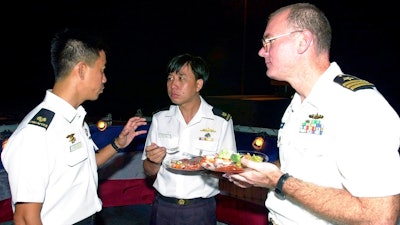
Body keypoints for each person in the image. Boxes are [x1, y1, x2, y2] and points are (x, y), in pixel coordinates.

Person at [227, 3, 400, 225]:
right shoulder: (298, 101)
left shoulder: (358, 105)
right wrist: (260, 174)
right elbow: (299, 165)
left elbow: (380, 217)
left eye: (269, 41)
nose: (262, 51)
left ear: (302, 41)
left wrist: (279, 181)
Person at [1, 28, 148, 225]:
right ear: (81, 70)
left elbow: (85, 166)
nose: (104, 79)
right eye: (102, 70)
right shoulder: (36, 134)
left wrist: (118, 144)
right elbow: (26, 218)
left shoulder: (75, 119)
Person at [142, 53, 237, 225]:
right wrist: (153, 161)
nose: (173, 85)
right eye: (170, 78)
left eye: (181, 78)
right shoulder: (160, 119)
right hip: (163, 207)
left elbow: (229, 170)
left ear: (198, 84)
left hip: (200, 210)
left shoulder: (220, 121)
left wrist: (207, 163)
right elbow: (148, 170)